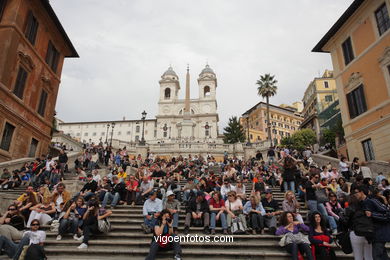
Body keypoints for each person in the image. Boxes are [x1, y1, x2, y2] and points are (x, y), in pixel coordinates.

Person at [344, 185, 374, 260]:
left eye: (356, 192)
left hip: (355, 232)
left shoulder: (351, 207)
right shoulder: (371, 202)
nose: (355, 194)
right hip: (368, 232)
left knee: (358, 257)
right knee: (369, 256)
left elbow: (346, 221)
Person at [364, 189, 390, 260]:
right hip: (378, 233)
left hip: (380, 234)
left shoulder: (377, 202)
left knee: (377, 256)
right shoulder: (378, 203)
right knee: (382, 255)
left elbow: (387, 216)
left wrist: (372, 214)